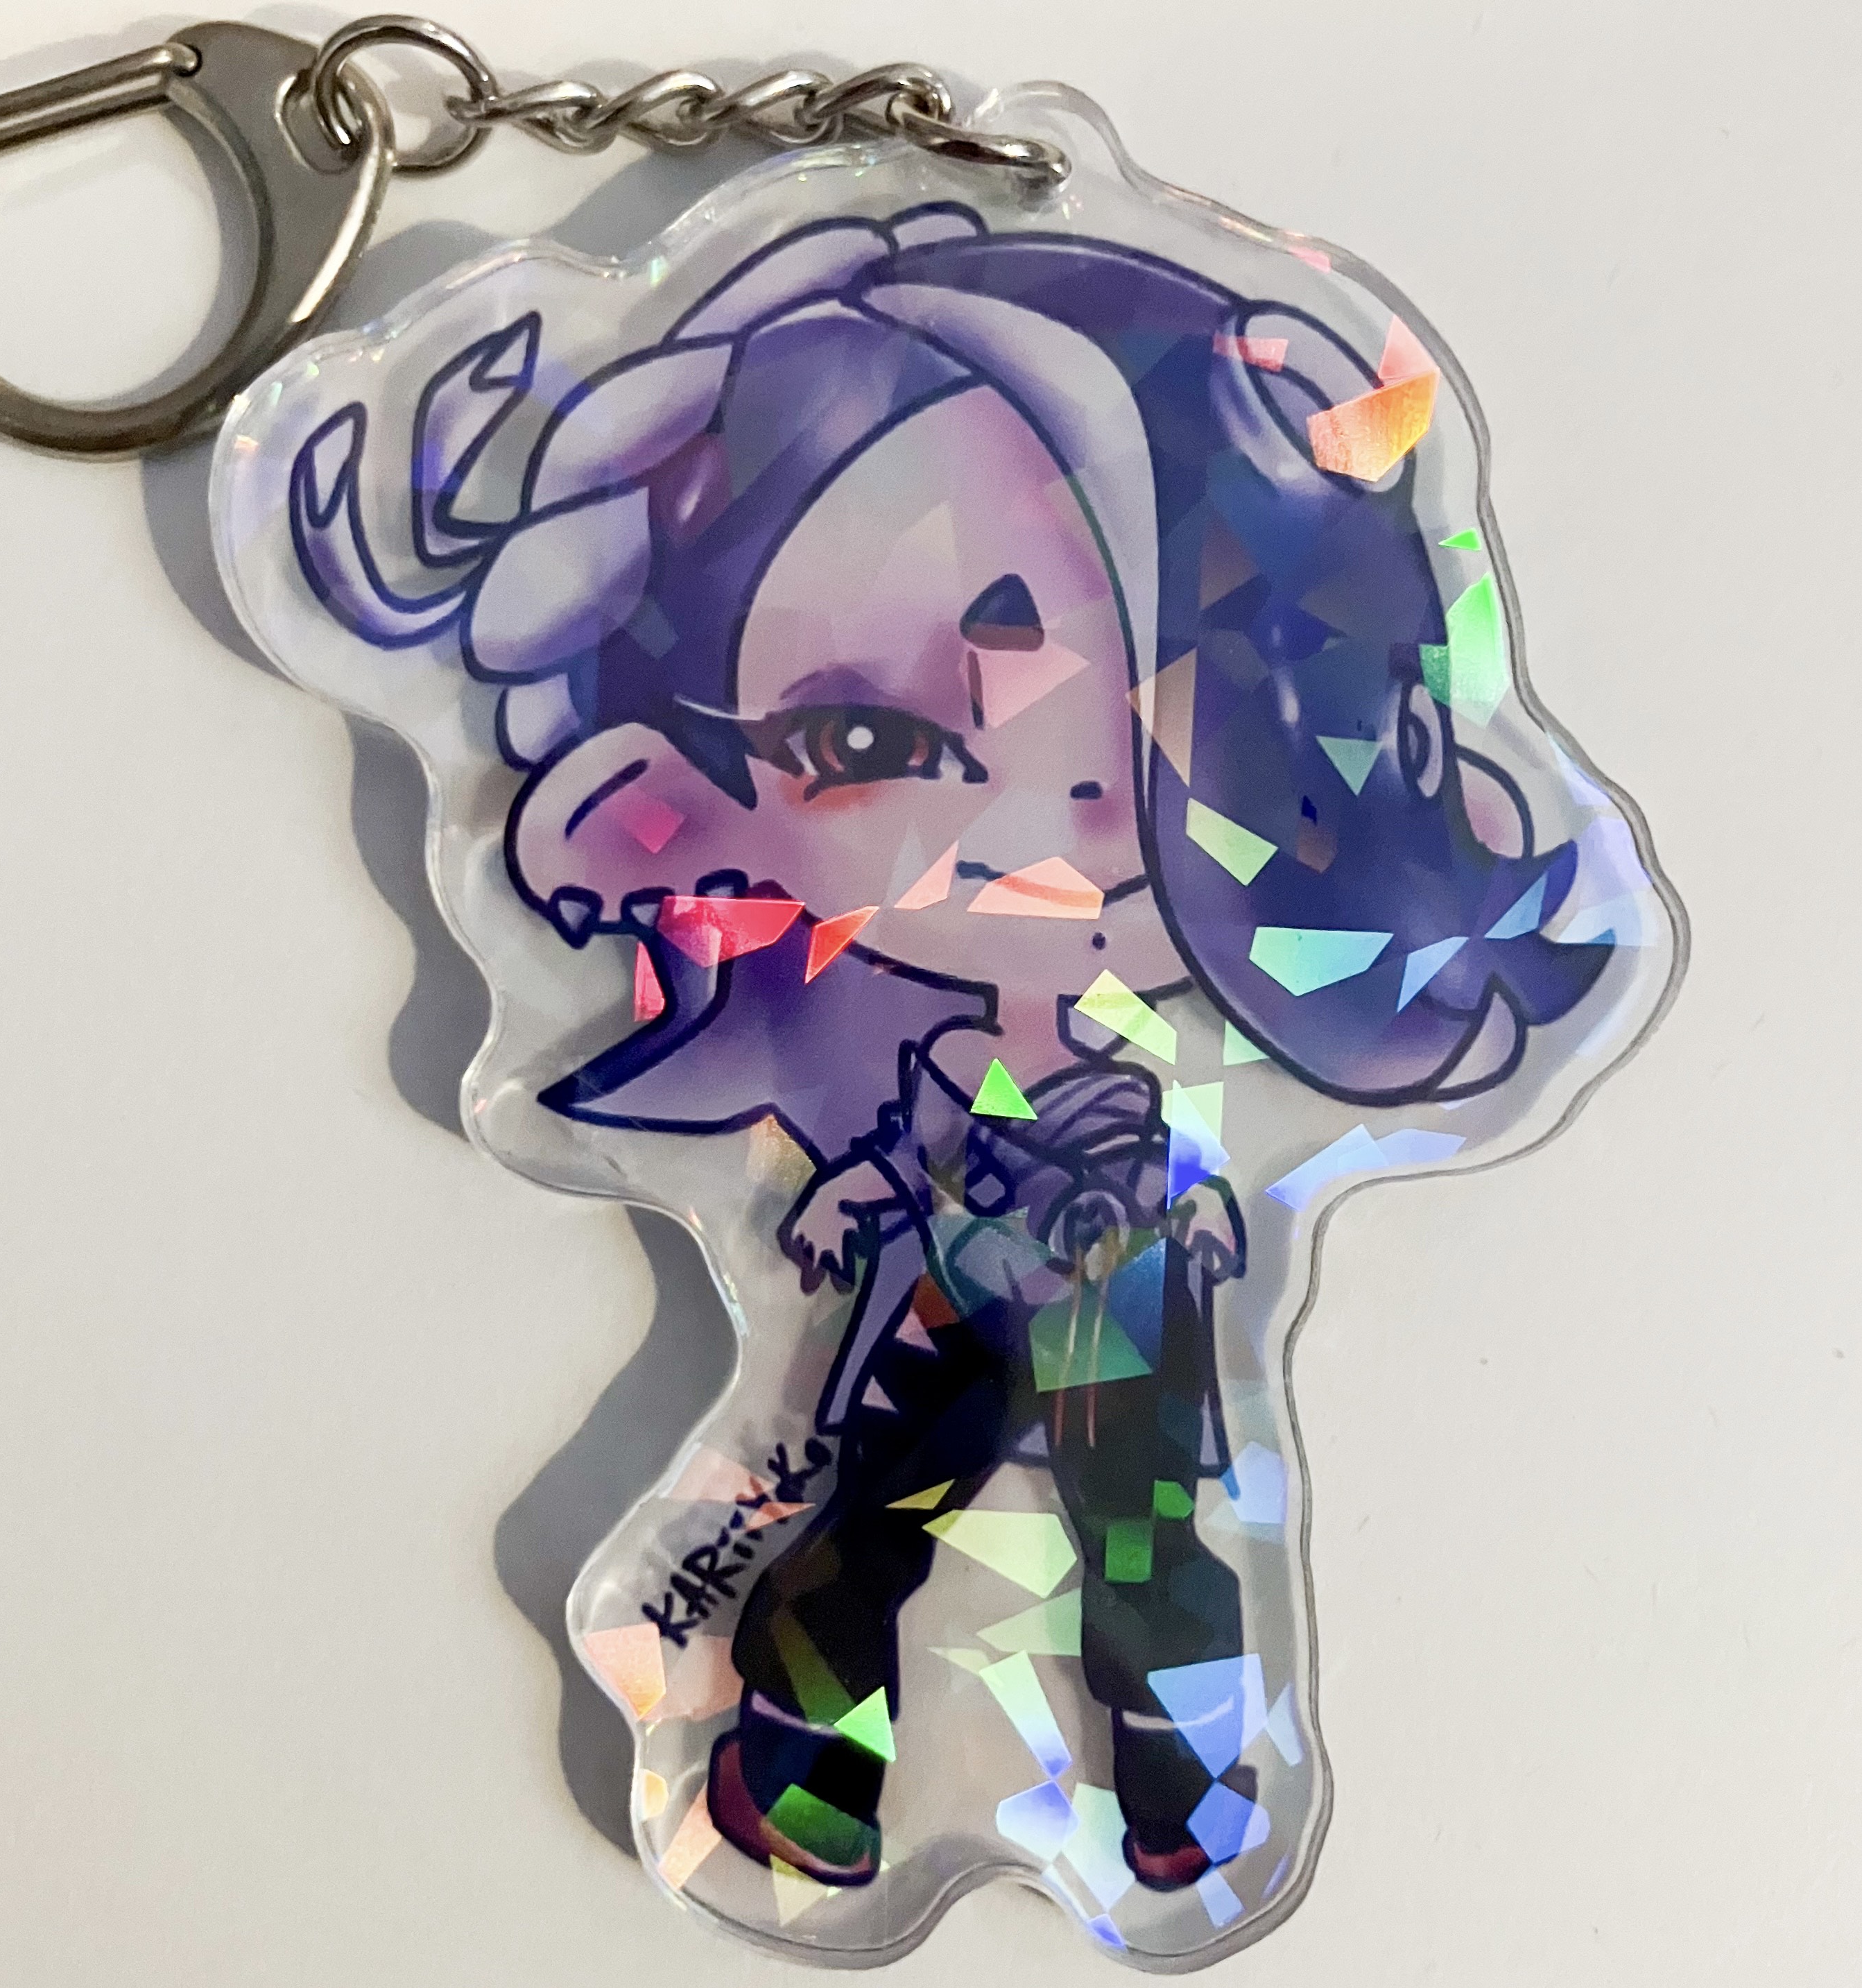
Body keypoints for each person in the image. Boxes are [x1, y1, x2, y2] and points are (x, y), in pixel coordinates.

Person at [288, 204, 1612, 1892]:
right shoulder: (921, 1061)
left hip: (1127, 1276)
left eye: (1126, 705)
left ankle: (1181, 1790)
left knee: (1145, 1548)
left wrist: (1141, 1216)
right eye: (866, 737)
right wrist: (861, 1196)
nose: (1027, 811)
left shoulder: (1170, 1037)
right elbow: (912, 1139)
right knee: (873, 1514)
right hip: (964, 1259)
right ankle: (805, 1767)